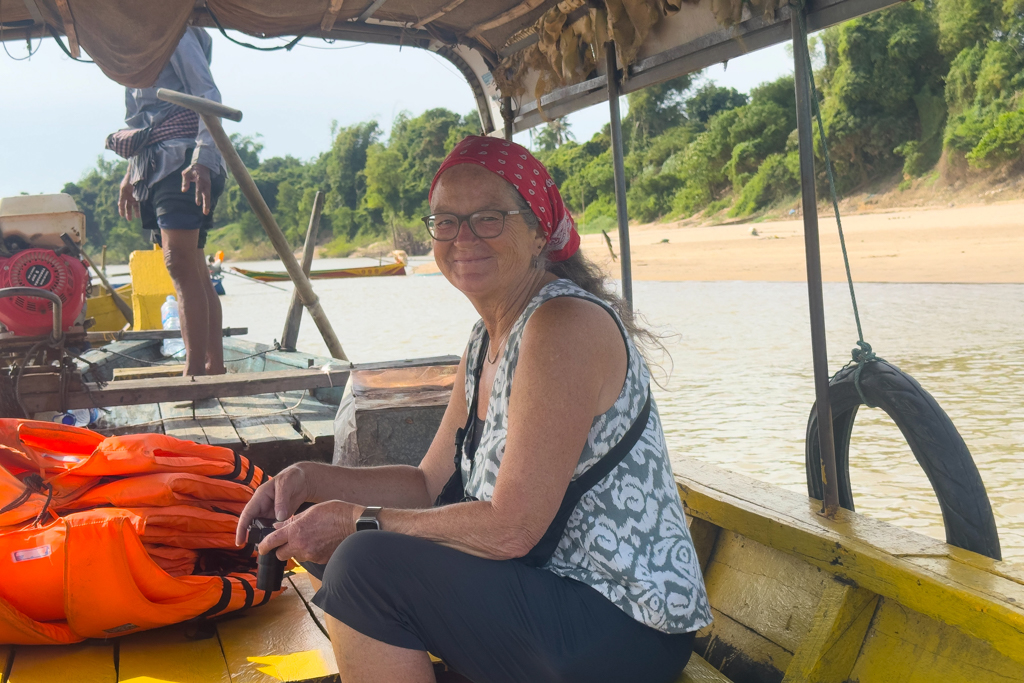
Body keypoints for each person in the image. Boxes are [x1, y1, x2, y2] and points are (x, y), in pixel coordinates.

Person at [236, 136, 712, 683]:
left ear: (538, 231)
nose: (463, 238)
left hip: (623, 625)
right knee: (324, 544)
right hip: (544, 591)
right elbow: (425, 484)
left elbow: (512, 529)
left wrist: (353, 520)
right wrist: (309, 479)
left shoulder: (565, 326)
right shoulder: (486, 340)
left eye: (489, 218)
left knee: (361, 564)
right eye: (445, 221)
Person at [109, 27, 227, 376]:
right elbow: (139, 123)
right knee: (192, 267)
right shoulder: (131, 50)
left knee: (178, 262)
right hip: (154, 167)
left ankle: (194, 370)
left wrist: (203, 159)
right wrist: (130, 175)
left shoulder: (175, 35)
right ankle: (213, 366)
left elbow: (207, 94)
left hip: (185, 160)